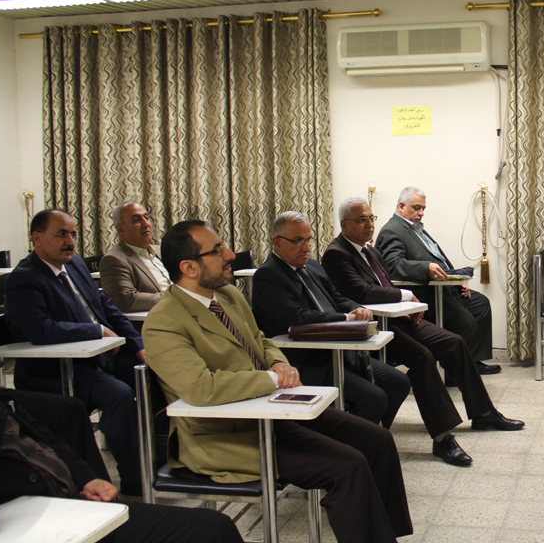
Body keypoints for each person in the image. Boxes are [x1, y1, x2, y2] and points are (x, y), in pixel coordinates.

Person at [141, 220, 412, 543]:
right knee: (348, 465)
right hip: (227, 435)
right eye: (217, 251)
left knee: (377, 440)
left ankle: (388, 534)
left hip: (273, 411)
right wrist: (271, 378)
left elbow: (261, 339)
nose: (230, 255)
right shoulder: (164, 322)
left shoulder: (227, 295)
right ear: (189, 267)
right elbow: (202, 388)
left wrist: (279, 363)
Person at [322, 200, 525, 466]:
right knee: (422, 357)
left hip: (398, 319)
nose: (370, 225)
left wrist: (407, 307)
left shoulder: (369, 251)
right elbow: (361, 292)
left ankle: (484, 413)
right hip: (373, 329)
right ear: (344, 224)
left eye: (371, 218)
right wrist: (406, 296)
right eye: (362, 220)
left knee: (453, 343)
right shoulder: (336, 254)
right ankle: (442, 438)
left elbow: (385, 284)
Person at [3, 209, 145, 496]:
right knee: (118, 396)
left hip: (103, 355)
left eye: (73, 234)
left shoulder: (75, 264)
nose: (70, 241)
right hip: (61, 371)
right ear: (37, 238)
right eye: (61, 234)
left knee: (155, 372)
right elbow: (40, 329)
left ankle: (158, 455)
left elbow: (106, 307)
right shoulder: (24, 279)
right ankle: (134, 480)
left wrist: (138, 345)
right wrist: (96, 331)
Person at [0, 385, 244, 543]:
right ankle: (134, 478)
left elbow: (37, 430)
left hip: (63, 498)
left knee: (214, 527)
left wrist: (86, 477)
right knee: (212, 530)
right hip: (34, 515)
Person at [251, 211, 411, 431]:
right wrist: (345, 318)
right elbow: (296, 317)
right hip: (309, 360)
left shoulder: (312, 266)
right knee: (374, 399)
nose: (306, 248)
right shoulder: (268, 276)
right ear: (277, 242)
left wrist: (356, 308)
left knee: (398, 383)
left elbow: (336, 298)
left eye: (308, 240)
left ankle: (369, 440)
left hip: (340, 352)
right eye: (298, 241)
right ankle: (349, 445)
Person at [375, 186, 499, 374]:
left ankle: (471, 361)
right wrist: (425, 268)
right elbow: (393, 266)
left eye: (423, 208)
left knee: (481, 304)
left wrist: (459, 280)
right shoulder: (392, 230)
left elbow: (439, 260)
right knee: (466, 322)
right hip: (425, 293)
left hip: (443, 287)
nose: (421, 213)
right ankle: (450, 371)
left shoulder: (415, 229)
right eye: (416, 208)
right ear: (401, 206)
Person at [100, 201, 172, 313]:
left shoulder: (160, 250)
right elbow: (126, 300)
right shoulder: (114, 260)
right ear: (121, 229)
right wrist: (175, 299)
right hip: (159, 316)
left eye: (146, 218)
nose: (146, 224)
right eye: (137, 220)